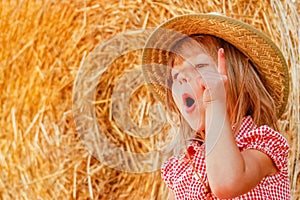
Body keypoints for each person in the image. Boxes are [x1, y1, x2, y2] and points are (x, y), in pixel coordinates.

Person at [142, 13, 290, 199]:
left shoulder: (262, 144)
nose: (182, 78)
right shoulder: (182, 169)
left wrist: (215, 103)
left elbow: (227, 184)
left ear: (241, 80)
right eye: (175, 77)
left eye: (200, 66)